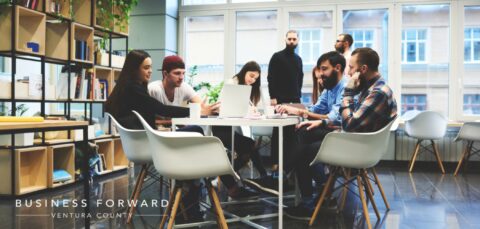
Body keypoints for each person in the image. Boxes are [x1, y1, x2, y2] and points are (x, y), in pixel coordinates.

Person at [105, 50, 218, 222]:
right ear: (134, 69)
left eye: (150, 67)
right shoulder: (133, 89)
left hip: (143, 143)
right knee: (195, 130)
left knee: (192, 133)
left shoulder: (129, 88)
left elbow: (146, 116)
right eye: (146, 68)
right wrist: (195, 111)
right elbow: (161, 109)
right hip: (149, 145)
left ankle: (191, 185)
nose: (150, 71)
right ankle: (194, 185)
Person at [284, 48, 397, 220]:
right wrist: (322, 121)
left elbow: (349, 124)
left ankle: (296, 191)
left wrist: (349, 92)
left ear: (363, 69)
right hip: (355, 141)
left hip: (358, 148)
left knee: (304, 152)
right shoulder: (371, 88)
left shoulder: (377, 92)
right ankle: (296, 181)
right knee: (304, 135)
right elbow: (347, 121)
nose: (348, 72)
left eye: (351, 68)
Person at [212, 61, 267, 198]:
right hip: (221, 129)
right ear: (245, 71)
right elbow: (227, 107)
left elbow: (241, 109)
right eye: (251, 76)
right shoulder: (232, 83)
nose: (252, 80)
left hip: (229, 128)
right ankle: (263, 177)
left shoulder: (244, 88)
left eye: (255, 78)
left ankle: (227, 179)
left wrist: (251, 111)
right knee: (250, 145)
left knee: (248, 148)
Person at [267, 30, 304, 105]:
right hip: (279, 99)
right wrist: (272, 97)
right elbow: (271, 78)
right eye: (289, 39)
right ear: (285, 39)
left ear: (298, 40)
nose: (291, 41)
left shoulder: (298, 59)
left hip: (295, 99)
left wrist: (299, 95)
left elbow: (300, 78)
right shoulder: (276, 56)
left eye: (294, 39)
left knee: (297, 117)